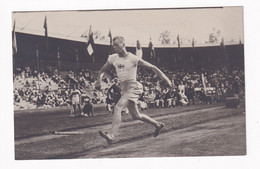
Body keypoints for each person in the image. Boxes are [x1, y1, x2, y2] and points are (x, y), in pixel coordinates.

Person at [95, 36, 172, 144]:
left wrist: (167, 79)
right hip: (124, 88)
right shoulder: (112, 58)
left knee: (118, 107)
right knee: (136, 116)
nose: (114, 47)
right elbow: (101, 71)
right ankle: (157, 125)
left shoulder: (133, 58)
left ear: (123, 44)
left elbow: (153, 67)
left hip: (133, 86)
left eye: (116, 45)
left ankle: (111, 135)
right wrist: (99, 81)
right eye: (113, 45)